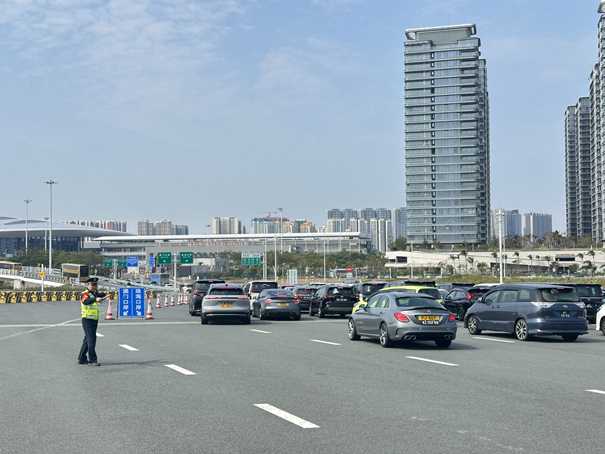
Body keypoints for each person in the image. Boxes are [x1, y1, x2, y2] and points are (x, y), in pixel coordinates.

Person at [78, 277, 106, 366]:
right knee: (91, 339)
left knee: (87, 339)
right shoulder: (85, 294)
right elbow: (86, 301)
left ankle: (82, 358)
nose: (94, 286)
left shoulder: (94, 293)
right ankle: (93, 360)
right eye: (92, 285)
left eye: (96, 284)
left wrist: (103, 296)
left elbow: (101, 294)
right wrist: (95, 299)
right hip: (87, 319)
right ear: (88, 285)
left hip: (94, 319)